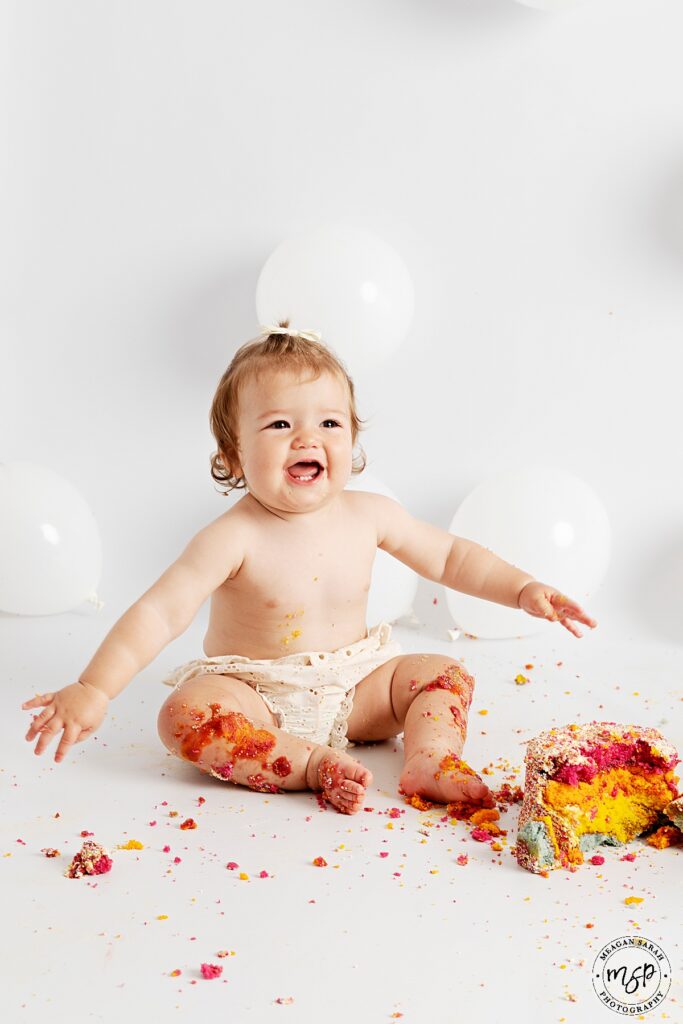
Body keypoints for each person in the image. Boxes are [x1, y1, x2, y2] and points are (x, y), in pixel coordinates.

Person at [22, 322, 597, 814]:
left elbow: (450, 557)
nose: (307, 437)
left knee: (443, 673)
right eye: (278, 425)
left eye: (329, 423)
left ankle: (429, 759)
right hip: (258, 694)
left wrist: (522, 588)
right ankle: (307, 765)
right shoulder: (232, 537)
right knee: (184, 715)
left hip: (358, 684)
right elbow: (160, 612)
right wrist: (94, 688)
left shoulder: (371, 514)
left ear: (352, 439)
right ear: (233, 456)